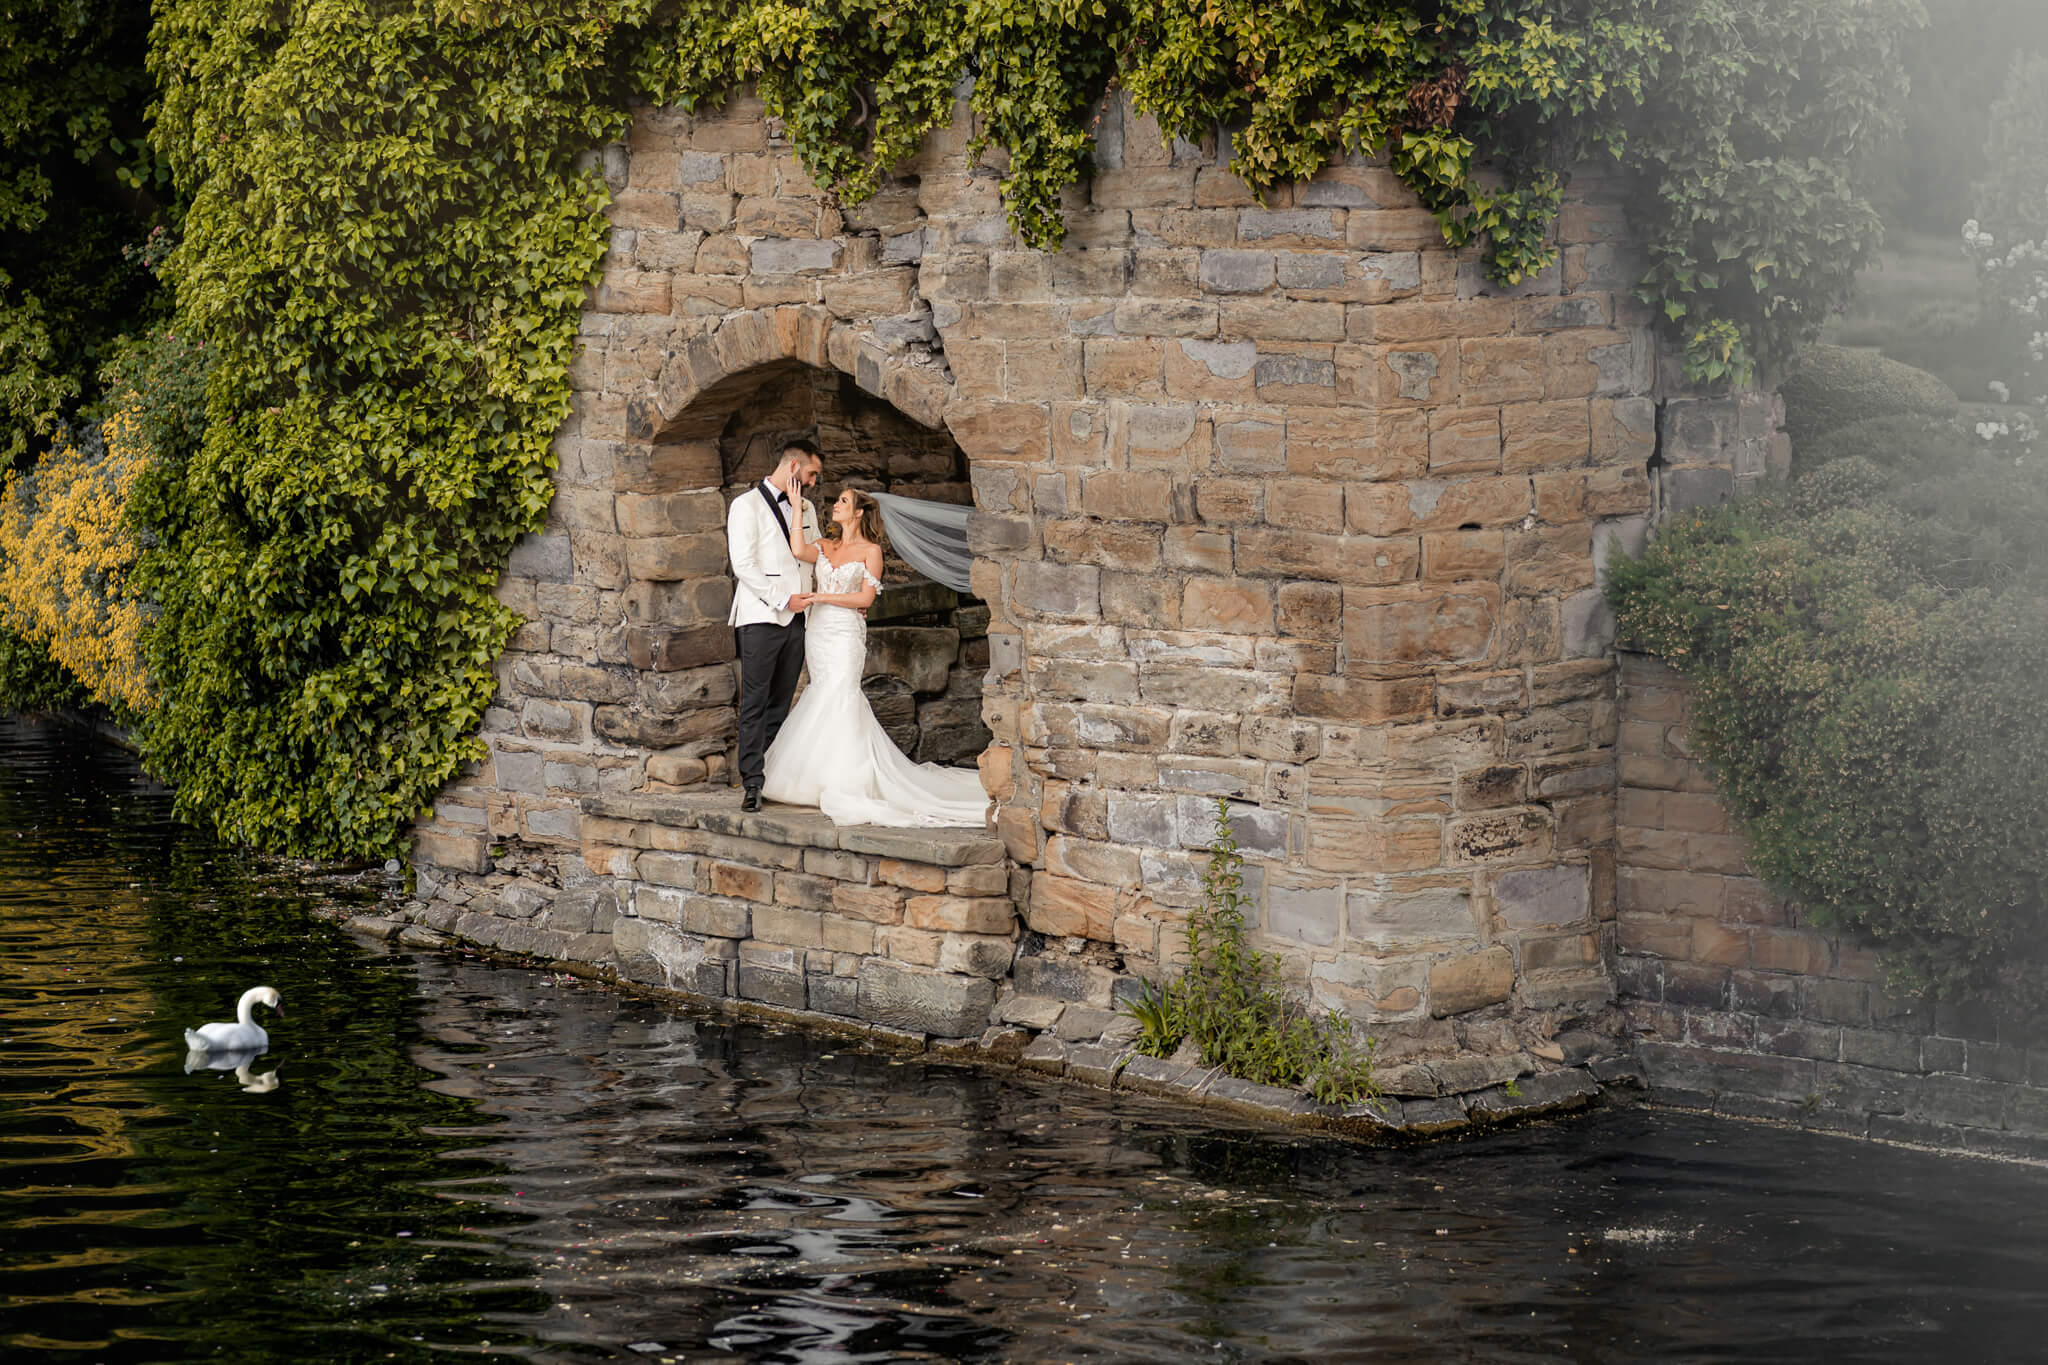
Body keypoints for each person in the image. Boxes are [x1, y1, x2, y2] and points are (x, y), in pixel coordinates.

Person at [761, 486, 991, 828]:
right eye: (837, 499)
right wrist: (795, 507)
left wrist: (822, 596)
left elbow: (865, 600)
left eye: (843, 501)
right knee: (821, 691)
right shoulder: (826, 545)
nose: (835, 505)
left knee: (842, 694)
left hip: (845, 633)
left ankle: (846, 781)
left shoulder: (871, 552)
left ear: (858, 513)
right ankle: (816, 777)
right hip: (819, 633)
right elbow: (797, 548)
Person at [726, 440, 823, 813]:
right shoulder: (745, 505)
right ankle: (752, 781)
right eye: (811, 473)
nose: (813, 482)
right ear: (793, 465)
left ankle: (775, 775)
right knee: (755, 702)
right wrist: (783, 599)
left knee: (782, 701)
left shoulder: (808, 508)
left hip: (800, 617)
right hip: (761, 616)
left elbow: (813, 556)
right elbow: (743, 565)